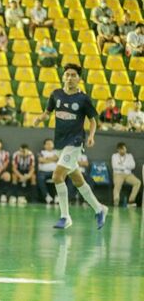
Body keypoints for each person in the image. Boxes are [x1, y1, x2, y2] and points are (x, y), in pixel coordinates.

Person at [33, 63, 108, 229]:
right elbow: (47, 112)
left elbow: (93, 121)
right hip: (60, 142)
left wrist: (91, 136)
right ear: (63, 77)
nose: (70, 78)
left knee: (57, 176)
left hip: (75, 142)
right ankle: (99, 208)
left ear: (79, 79)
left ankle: (65, 216)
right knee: (78, 180)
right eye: (67, 74)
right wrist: (39, 119)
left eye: (74, 75)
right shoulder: (56, 94)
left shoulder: (83, 99)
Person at [111, 143, 141, 207]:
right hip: (118, 174)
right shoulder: (114, 156)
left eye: (124, 149)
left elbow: (133, 165)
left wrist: (122, 165)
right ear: (118, 150)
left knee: (138, 182)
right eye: (121, 149)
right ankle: (116, 202)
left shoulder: (129, 156)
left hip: (128, 174)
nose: (123, 151)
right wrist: (126, 166)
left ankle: (131, 200)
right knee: (117, 185)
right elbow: (115, 166)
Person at [37, 139, 59, 204]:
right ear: (44, 145)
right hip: (43, 172)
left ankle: (58, 196)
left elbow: (57, 158)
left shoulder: (57, 152)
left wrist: (46, 159)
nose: (49, 145)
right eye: (47, 144)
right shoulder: (41, 152)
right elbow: (40, 160)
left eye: (50, 144)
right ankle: (47, 196)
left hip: (55, 171)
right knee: (40, 178)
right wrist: (52, 159)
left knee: (61, 177)